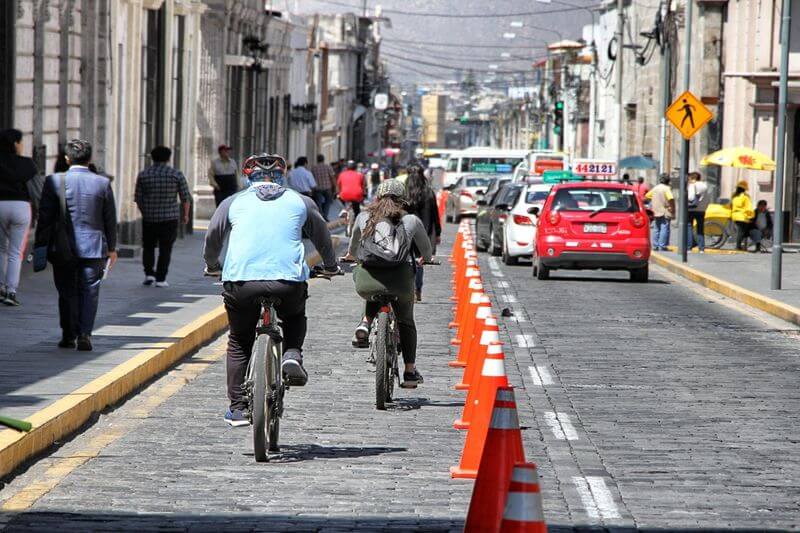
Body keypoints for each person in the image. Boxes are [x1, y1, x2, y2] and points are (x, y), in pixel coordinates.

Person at [203, 153, 339, 427]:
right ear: (282, 176)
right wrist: (330, 266)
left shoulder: (233, 202)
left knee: (240, 342)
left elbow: (213, 238)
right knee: (294, 316)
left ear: (247, 176)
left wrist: (212, 264)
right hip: (287, 282)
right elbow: (322, 237)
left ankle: (239, 408)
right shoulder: (301, 201)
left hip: (241, 283)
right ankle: (292, 354)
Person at [343, 179, 432, 388]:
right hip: (401, 282)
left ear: (377, 197)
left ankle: (365, 321)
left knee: (365, 274)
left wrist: (350, 257)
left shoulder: (364, 217)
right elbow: (426, 250)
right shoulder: (411, 221)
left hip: (367, 283)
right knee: (406, 321)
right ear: (402, 201)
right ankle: (409, 371)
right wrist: (426, 259)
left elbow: (353, 249)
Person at [35, 139, 117, 351]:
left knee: (66, 291)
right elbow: (109, 219)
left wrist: (40, 246)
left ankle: (68, 335)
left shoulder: (54, 181)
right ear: (90, 160)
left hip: (62, 248)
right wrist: (112, 249)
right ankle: (85, 334)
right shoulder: (102, 183)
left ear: (67, 158)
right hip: (94, 247)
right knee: (90, 290)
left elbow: (44, 218)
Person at [134, 146, 191, 288]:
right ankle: (161, 278)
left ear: (152, 158)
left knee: (148, 247)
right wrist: (185, 215)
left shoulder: (143, 175)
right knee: (166, 248)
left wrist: (144, 211)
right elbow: (185, 197)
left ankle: (149, 274)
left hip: (149, 218)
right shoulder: (176, 174)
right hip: (169, 218)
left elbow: (138, 198)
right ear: (169, 158)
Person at [0, 129, 39, 306]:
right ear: (16, 143)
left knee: (1, 249)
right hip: (21, 206)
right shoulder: (28, 164)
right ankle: (11, 291)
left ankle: (0, 287)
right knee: (16, 252)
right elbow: (36, 191)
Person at [404, 165, 441, 302]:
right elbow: (435, 215)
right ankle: (417, 289)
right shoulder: (429, 192)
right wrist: (437, 232)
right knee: (420, 262)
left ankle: (407, 288)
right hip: (424, 232)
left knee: (405, 259)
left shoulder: (403, 193)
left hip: (406, 231)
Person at [646, 174, 675, 251]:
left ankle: (655, 245)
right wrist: (672, 208)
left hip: (656, 210)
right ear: (668, 181)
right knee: (664, 228)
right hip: (665, 210)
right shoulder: (666, 189)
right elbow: (671, 198)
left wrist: (655, 198)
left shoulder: (655, 188)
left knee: (656, 228)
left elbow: (647, 195)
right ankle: (662, 246)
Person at [731, 180, 761, 252]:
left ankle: (739, 246)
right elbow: (749, 207)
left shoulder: (734, 196)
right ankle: (738, 246)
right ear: (744, 189)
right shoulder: (745, 197)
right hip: (743, 217)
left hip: (735, 216)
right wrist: (751, 216)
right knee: (741, 232)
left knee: (740, 231)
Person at [687, 171, 709, 253]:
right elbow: (707, 198)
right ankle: (701, 248)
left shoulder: (693, 185)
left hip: (691, 209)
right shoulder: (704, 186)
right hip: (701, 210)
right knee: (700, 228)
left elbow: (691, 197)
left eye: (690, 178)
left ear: (693, 178)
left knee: (689, 227)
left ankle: (689, 247)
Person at [310, 154, 337, 220]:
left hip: (317, 188)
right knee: (328, 202)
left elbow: (311, 178)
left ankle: (320, 216)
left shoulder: (313, 168)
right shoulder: (328, 167)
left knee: (318, 203)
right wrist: (335, 187)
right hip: (327, 188)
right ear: (323, 159)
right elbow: (332, 177)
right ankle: (325, 216)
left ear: (317, 160)